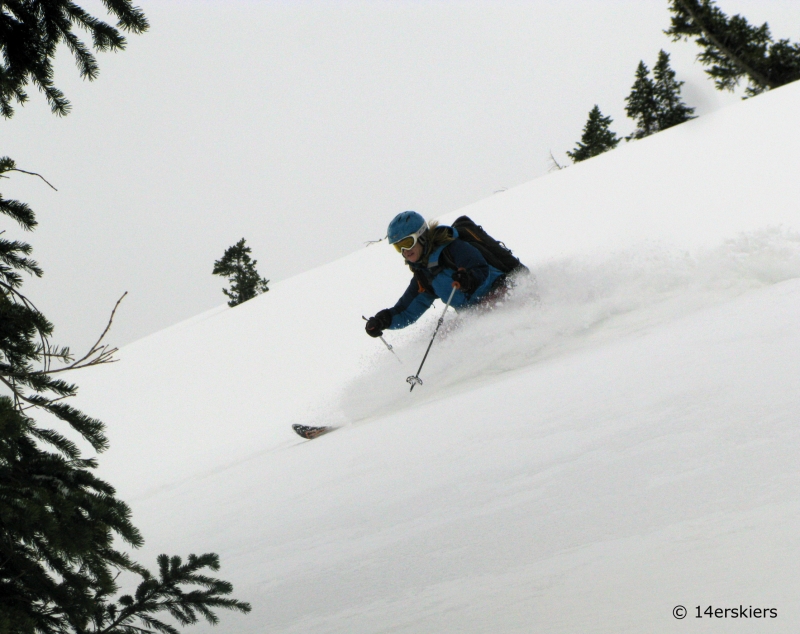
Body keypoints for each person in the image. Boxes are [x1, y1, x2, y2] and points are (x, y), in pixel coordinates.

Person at [365, 211, 507, 338]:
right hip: (474, 314)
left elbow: (479, 268)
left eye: (407, 242)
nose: (404, 250)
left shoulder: (452, 248)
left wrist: (468, 279)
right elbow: (405, 311)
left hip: (502, 294)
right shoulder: (424, 276)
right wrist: (383, 321)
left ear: (421, 236)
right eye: (398, 246)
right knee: (442, 338)